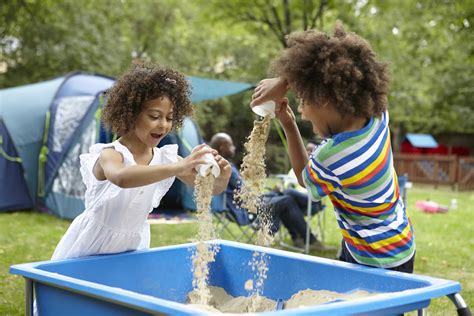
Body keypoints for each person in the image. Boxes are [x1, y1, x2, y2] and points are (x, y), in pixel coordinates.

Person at [251, 22, 415, 273]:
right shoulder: (378, 116)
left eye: (303, 101)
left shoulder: (334, 157)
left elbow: (305, 179)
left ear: (326, 100)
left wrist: (288, 123)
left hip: (372, 259)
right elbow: (336, 64)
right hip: (400, 241)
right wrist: (286, 80)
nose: (303, 113)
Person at [51, 63, 231, 260]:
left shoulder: (165, 158)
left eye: (169, 118)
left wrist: (221, 178)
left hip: (132, 246)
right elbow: (121, 178)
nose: (163, 125)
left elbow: (208, 189)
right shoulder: (111, 154)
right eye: (154, 116)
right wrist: (179, 166)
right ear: (130, 113)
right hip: (91, 244)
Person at [209, 132, 333, 251]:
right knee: (286, 199)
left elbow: (242, 192)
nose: (234, 147)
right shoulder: (225, 167)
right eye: (230, 145)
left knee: (284, 196)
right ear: (222, 147)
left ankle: (297, 238)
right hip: (245, 209)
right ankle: (309, 240)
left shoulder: (215, 165)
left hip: (241, 204)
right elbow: (244, 193)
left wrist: (272, 192)